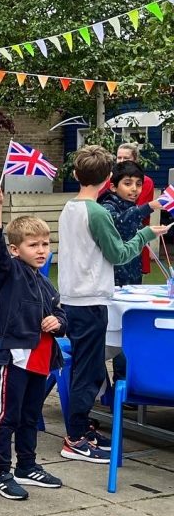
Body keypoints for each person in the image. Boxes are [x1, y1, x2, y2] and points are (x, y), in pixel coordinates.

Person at [58, 145, 169, 463]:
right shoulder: (99, 213)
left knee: (88, 367)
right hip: (90, 298)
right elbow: (119, 253)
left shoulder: (70, 207)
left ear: (77, 175)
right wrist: (146, 232)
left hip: (74, 295)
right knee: (88, 371)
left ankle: (82, 429)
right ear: (108, 178)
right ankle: (76, 438)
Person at [0, 187, 67, 499]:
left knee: (32, 415)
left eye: (45, 244)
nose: (42, 249)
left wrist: (58, 322)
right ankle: (0, 472)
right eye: (34, 245)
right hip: (17, 358)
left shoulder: (45, 281)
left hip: (42, 358)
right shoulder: (7, 272)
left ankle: (27, 466)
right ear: (16, 249)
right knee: (9, 416)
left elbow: (62, 313)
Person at [98, 161, 164, 287]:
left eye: (138, 184)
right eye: (127, 183)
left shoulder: (132, 208)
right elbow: (119, 223)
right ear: (113, 187)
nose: (134, 188)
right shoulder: (106, 206)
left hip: (134, 275)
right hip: (111, 280)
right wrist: (149, 206)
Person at [101, 142, 157, 276]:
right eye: (118, 158)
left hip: (135, 233)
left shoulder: (146, 182)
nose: (121, 161)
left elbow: (140, 209)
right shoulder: (109, 183)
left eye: (125, 158)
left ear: (135, 160)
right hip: (116, 241)